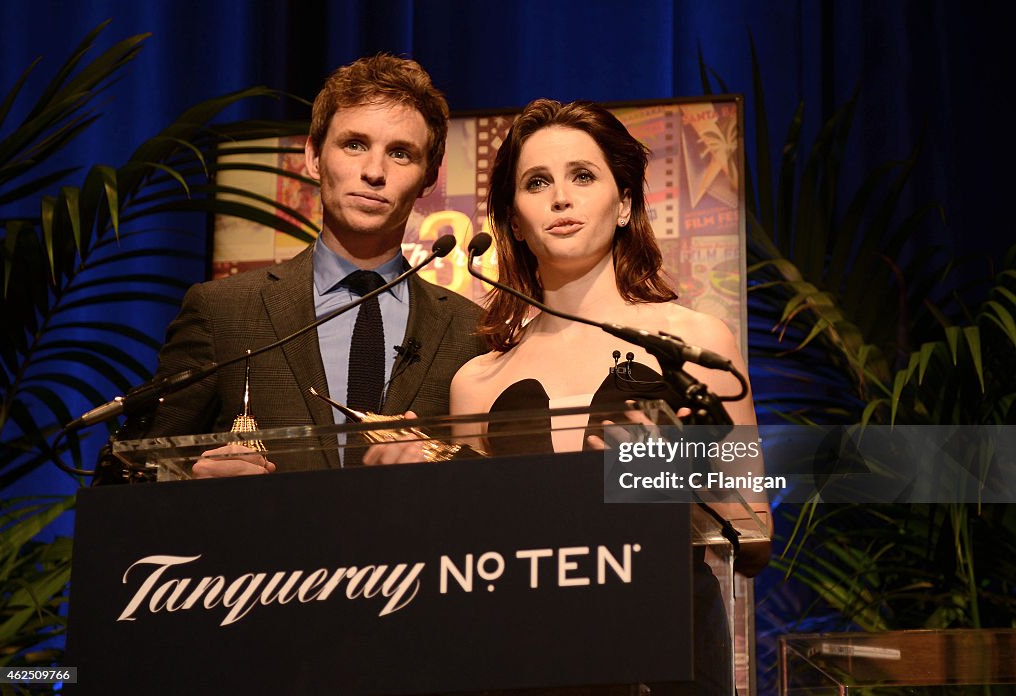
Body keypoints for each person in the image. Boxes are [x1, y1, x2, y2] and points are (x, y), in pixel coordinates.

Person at [449, 99, 768, 694]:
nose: (560, 198)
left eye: (583, 176)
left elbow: (754, 539)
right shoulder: (476, 382)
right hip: (526, 663)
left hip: (671, 658)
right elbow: (468, 562)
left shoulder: (694, 343)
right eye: (537, 182)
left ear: (624, 204)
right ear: (514, 220)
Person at [142, 54, 486, 476]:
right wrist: (194, 482)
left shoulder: (470, 332)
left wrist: (442, 459)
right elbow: (135, 468)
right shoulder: (222, 311)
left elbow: (495, 487)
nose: (374, 172)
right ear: (313, 156)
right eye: (354, 145)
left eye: (400, 153)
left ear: (429, 179)